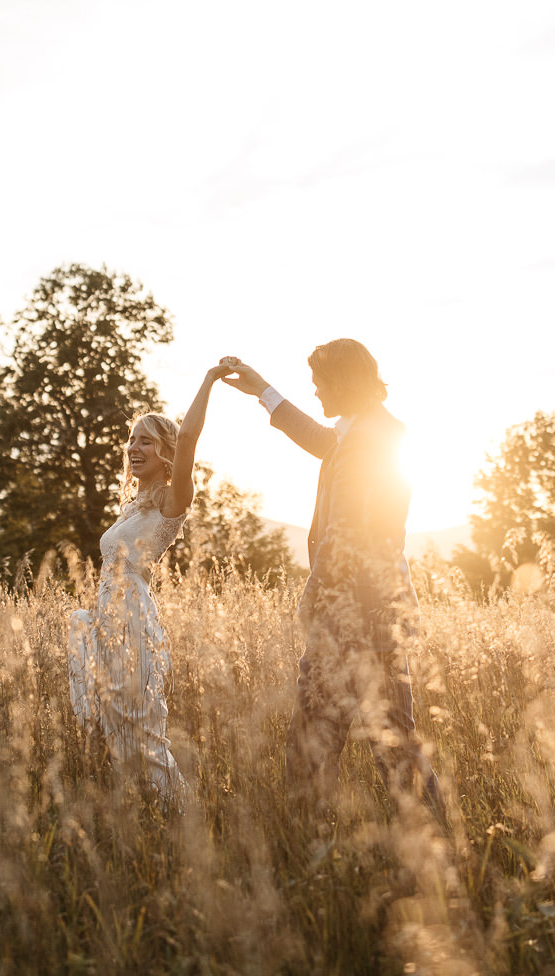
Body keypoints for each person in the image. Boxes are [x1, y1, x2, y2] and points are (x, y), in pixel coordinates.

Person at [219, 341, 441, 811]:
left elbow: (342, 535)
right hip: (381, 610)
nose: (316, 391)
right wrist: (262, 390)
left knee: (313, 742)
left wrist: (313, 604)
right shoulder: (370, 429)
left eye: (320, 383)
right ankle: (437, 837)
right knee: (395, 743)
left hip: (350, 613)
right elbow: (323, 442)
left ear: (342, 382)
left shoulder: (363, 440)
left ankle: (309, 841)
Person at [68, 365, 226, 801]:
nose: (133, 448)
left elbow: (189, 437)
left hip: (132, 620)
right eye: (132, 440)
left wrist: (209, 379)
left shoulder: (172, 501)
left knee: (140, 727)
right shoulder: (133, 506)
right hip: (107, 618)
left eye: (145, 441)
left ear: (165, 452)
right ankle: (142, 812)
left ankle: (180, 810)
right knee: (116, 726)